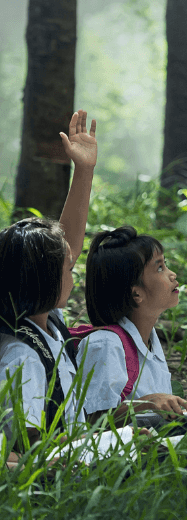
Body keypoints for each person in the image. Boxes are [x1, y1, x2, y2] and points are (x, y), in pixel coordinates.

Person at [0, 112, 99, 443]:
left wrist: (84, 172)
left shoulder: (47, 323)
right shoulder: (22, 355)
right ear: (45, 280)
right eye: (69, 269)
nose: (74, 272)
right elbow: (26, 446)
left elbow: (65, 246)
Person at [78, 226, 187, 421]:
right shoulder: (105, 345)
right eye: (159, 268)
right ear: (136, 293)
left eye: (165, 265)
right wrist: (147, 402)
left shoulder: (150, 340)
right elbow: (93, 421)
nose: (172, 274)